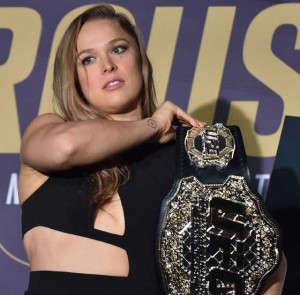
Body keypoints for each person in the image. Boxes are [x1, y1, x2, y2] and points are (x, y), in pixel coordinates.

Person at [18, 4, 286, 295]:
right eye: (88, 59)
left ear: (140, 61)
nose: (107, 65)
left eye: (118, 49)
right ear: (73, 77)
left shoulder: (188, 160)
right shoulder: (48, 130)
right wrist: (154, 126)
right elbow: (66, 147)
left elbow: (266, 261)